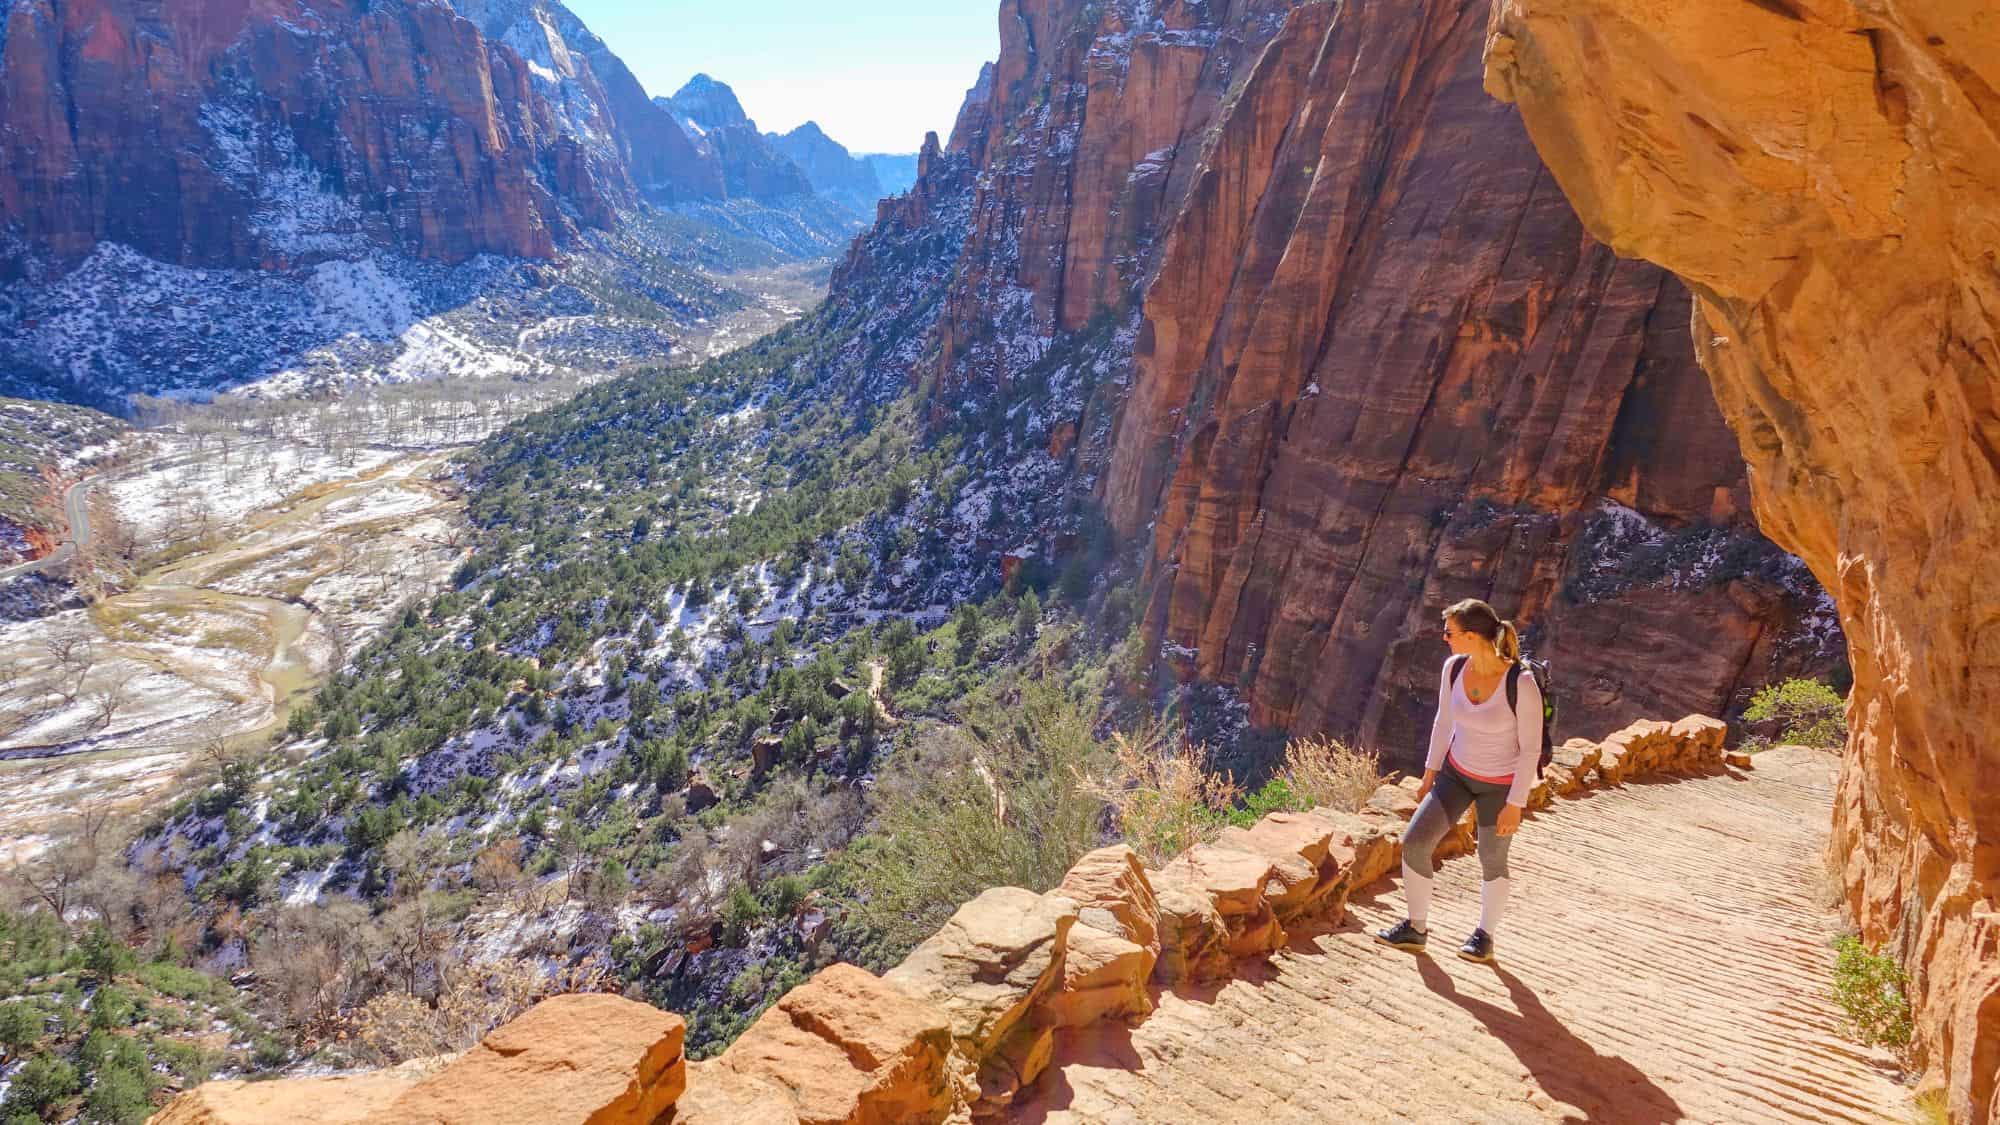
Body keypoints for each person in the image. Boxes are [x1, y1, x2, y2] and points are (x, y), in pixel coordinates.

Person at [1374, 598, 1543, 963]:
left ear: (1471, 636)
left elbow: (1531, 749)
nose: (1444, 637)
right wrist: (1430, 772)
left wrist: (1516, 804)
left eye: (1449, 632)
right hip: (1457, 774)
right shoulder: (1453, 669)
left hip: (1500, 784)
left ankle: (1485, 936)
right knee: (1416, 843)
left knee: (1491, 857)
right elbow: (1443, 722)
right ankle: (1416, 929)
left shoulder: (1521, 682)